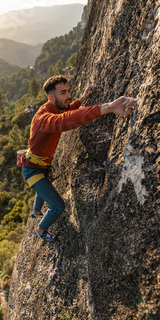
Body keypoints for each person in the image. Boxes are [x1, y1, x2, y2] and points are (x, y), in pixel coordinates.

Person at [21, 75, 137, 242]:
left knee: (45, 183)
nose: (68, 96)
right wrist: (107, 108)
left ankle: (36, 212)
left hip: (40, 166)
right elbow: (65, 120)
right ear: (51, 97)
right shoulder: (43, 118)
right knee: (57, 206)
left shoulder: (56, 107)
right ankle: (41, 228)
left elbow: (67, 110)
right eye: (63, 93)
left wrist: (82, 98)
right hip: (32, 170)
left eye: (68, 91)